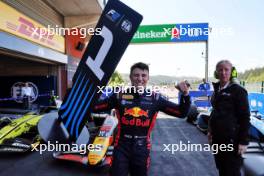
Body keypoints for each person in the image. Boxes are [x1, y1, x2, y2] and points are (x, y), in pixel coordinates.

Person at [93, 62, 191, 176]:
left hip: (142, 147)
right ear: (130, 77)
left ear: (148, 78)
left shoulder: (156, 98)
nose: (140, 79)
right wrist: (87, 91)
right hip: (121, 145)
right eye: (136, 75)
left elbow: (181, 113)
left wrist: (185, 94)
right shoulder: (119, 95)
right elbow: (95, 107)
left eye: (143, 75)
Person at [208, 60, 250, 176]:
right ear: (216, 73)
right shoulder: (217, 90)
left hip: (232, 141)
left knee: (232, 171)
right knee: (221, 168)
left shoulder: (238, 91)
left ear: (231, 72)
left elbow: (245, 117)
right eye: (220, 70)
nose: (223, 73)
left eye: (226, 70)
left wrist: (243, 141)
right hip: (218, 139)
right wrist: (210, 131)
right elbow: (215, 112)